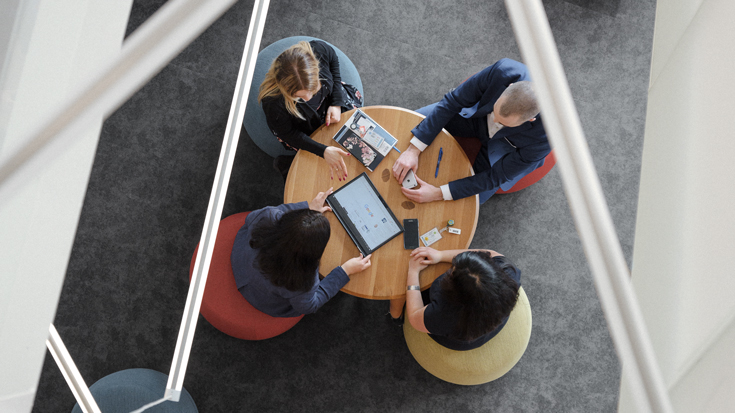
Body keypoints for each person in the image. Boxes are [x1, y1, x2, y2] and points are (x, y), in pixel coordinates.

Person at [392, 58, 550, 204]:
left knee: (466, 205)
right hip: (474, 117)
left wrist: (439, 193)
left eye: (503, 122)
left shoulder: (549, 134)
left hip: (505, 147)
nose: (494, 121)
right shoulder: (503, 70)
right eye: (495, 113)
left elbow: (497, 176)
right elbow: (453, 101)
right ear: (508, 88)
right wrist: (413, 150)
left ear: (531, 119)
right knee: (408, 125)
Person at [231, 188, 371, 317]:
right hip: (260, 297)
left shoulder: (268, 216)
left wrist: (308, 210)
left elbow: (251, 218)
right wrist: (344, 271)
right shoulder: (300, 282)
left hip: (241, 256)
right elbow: (309, 306)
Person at [259, 40, 351, 181]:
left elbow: (333, 61)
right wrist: (323, 151)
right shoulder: (273, 103)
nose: (308, 99)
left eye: (313, 90)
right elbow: (289, 134)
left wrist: (336, 103)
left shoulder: (319, 50)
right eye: (299, 96)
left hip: (331, 102)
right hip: (302, 125)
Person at [404, 247, 520, 351]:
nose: (451, 269)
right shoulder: (508, 273)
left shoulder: (444, 314)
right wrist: (440, 255)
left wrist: (413, 271)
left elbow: (414, 317)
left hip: (463, 338)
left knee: (423, 293)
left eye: (451, 271)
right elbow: (490, 253)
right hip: (490, 322)